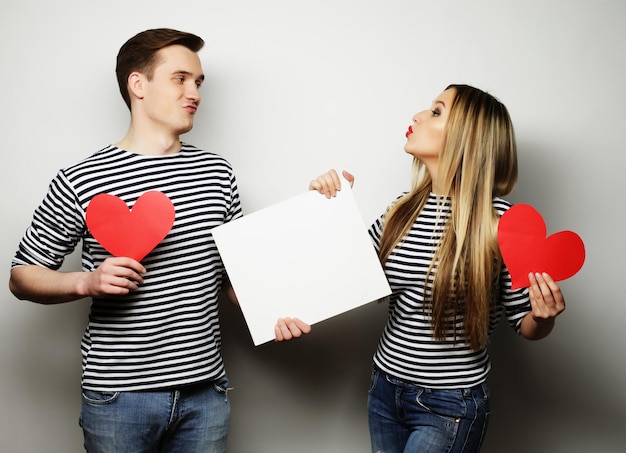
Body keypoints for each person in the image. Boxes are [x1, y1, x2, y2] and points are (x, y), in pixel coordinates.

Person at [9, 28, 308, 453]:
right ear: (138, 84)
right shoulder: (80, 178)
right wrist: (86, 281)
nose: (195, 93)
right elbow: (21, 277)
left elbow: (233, 278)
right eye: (180, 78)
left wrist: (278, 310)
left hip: (205, 394)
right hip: (118, 398)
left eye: (199, 82)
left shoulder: (218, 173)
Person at [283, 84, 566, 453]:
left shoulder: (503, 223)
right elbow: (348, 275)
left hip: (450, 407)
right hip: (384, 390)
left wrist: (543, 316)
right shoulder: (401, 209)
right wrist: (326, 209)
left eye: (436, 111)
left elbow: (525, 324)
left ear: (468, 136)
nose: (416, 116)